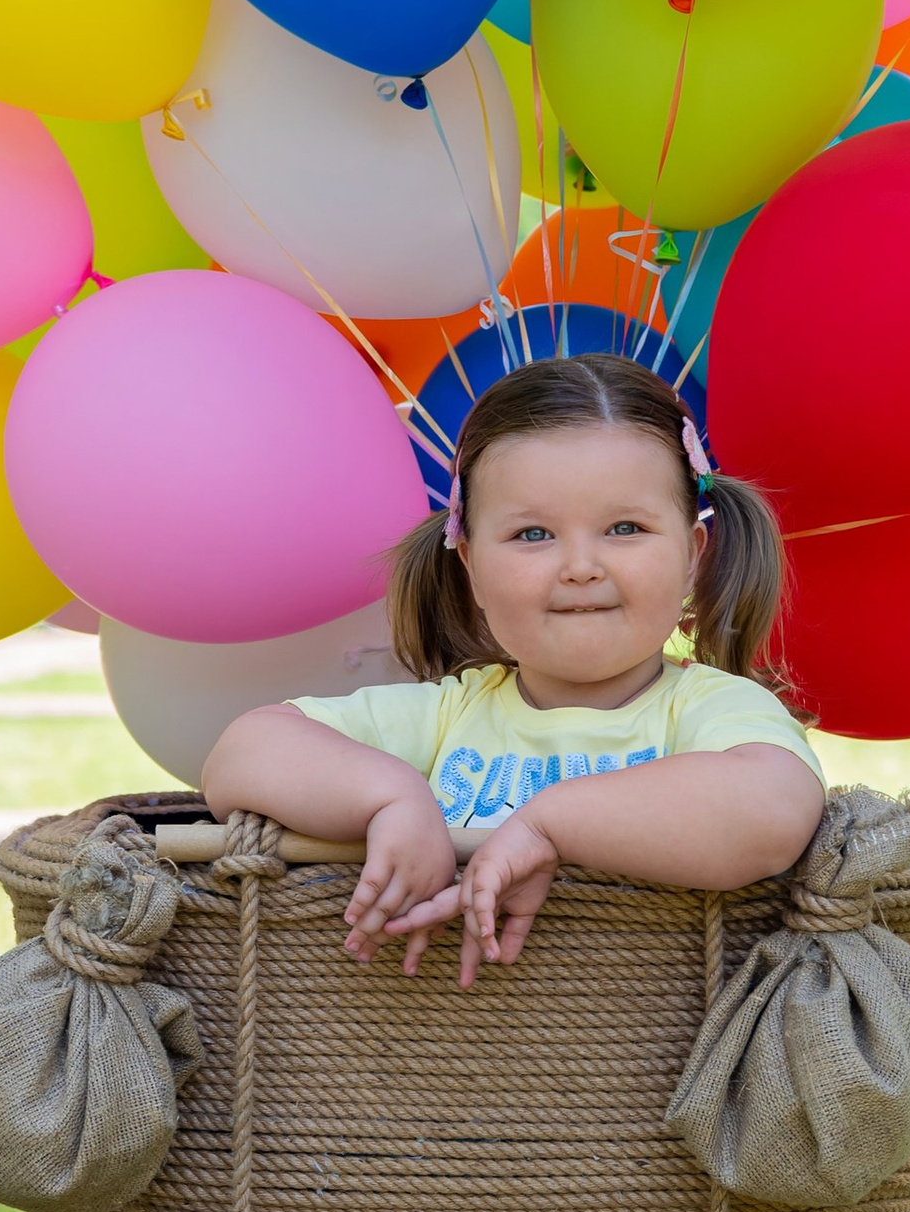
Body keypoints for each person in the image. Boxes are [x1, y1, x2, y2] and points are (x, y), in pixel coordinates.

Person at [202, 354, 828, 989]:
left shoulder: (708, 710)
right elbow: (243, 751)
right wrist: (392, 798)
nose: (580, 566)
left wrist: (546, 824)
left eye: (624, 528)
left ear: (692, 556)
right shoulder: (449, 714)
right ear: (470, 564)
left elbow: (775, 809)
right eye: (533, 535)